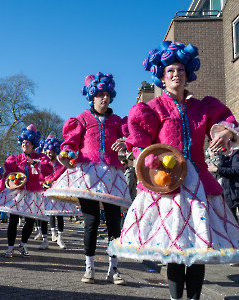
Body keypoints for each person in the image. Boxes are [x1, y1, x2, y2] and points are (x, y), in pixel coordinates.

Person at [108, 41, 239, 300]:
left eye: (180, 69)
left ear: (189, 73)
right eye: (170, 71)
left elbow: (227, 121)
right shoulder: (152, 108)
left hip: (199, 185)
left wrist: (225, 132)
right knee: (175, 250)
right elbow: (140, 142)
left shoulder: (203, 107)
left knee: (198, 251)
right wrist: (148, 160)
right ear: (162, 78)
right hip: (166, 185)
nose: (176, 74)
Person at [45, 72, 131, 285]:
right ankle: (89, 267)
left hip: (111, 174)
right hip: (88, 175)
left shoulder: (118, 121)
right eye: (99, 94)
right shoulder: (82, 119)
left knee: (114, 224)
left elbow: (131, 139)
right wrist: (66, 155)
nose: (104, 98)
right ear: (92, 97)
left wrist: (127, 143)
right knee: (91, 223)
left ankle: (114, 269)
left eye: (107, 95)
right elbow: (70, 145)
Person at [0, 124, 52, 258]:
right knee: (13, 220)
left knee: (30, 222)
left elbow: (48, 170)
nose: (25, 144)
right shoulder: (15, 158)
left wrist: (36, 163)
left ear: (33, 144)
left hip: (33, 193)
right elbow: (9, 174)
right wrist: (12, 179)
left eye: (28, 143)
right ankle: (10, 247)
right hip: (17, 193)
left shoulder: (41, 158)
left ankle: (23, 244)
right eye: (23, 142)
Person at [40, 135, 80, 250]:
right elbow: (40, 176)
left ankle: (60, 238)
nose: (48, 154)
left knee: (59, 215)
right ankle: (45, 240)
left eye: (51, 152)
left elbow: (69, 173)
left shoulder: (62, 163)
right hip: (46, 192)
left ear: (55, 151)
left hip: (58, 193)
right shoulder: (43, 163)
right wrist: (42, 183)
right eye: (47, 152)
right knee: (44, 215)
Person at [208, 149, 239, 225]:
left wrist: (217, 169)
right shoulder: (210, 161)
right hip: (226, 194)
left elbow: (236, 170)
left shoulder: (235, 155)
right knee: (232, 220)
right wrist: (212, 158)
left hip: (235, 191)